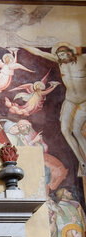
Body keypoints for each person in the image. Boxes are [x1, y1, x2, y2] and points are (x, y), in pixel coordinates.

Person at [24, 43, 86, 174]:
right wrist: (21, 43)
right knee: (65, 129)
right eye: (59, 56)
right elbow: (39, 52)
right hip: (70, 100)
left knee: (76, 130)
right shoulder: (60, 62)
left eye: (64, 54)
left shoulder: (83, 59)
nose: (62, 57)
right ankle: (82, 162)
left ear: (70, 52)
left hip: (84, 101)